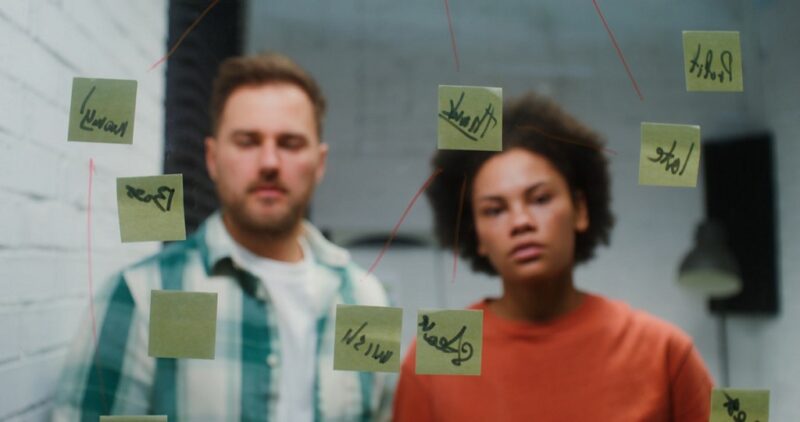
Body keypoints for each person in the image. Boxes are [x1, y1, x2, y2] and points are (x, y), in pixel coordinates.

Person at [52, 53, 392, 421]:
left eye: (290, 143)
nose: (270, 163)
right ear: (212, 159)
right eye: (247, 141)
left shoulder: (365, 300)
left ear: (320, 163)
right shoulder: (145, 296)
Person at [393, 92, 714, 421]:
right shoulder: (434, 357)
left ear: (580, 210)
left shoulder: (663, 354)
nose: (521, 222)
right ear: (476, 235)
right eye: (495, 210)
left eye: (540, 199)